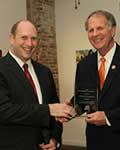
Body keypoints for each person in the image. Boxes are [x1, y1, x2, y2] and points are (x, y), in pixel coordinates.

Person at [0, 20, 76, 150]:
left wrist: (55, 139)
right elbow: (4, 111)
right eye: (24, 38)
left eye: (33, 39)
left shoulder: (44, 72)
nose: (29, 44)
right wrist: (49, 109)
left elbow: (54, 106)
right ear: (11, 38)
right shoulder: (2, 69)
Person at [73, 10, 120, 150]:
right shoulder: (83, 64)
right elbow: (85, 97)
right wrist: (70, 109)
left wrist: (107, 117)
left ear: (113, 30)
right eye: (90, 30)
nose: (95, 34)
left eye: (100, 28)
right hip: (95, 141)